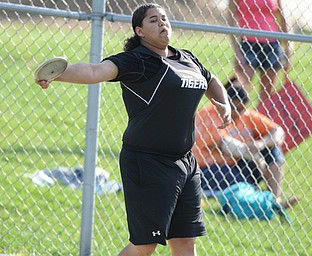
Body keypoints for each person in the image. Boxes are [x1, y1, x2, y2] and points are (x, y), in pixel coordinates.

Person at [36, 3, 232, 256]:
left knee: (185, 242)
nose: (162, 23)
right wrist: (56, 75)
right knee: (144, 245)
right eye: (153, 20)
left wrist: (223, 102)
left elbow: (210, 79)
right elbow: (96, 71)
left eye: (164, 18)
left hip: (185, 162)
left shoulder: (186, 57)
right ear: (139, 31)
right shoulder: (138, 60)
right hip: (148, 162)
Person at [192, 78, 299, 209]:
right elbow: (225, 145)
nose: (238, 113)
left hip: (240, 164)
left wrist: (260, 144)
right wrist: (253, 155)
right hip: (210, 168)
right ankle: (265, 203)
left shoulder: (246, 115)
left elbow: (278, 131)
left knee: (273, 150)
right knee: (237, 183)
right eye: (234, 108)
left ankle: (275, 198)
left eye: (242, 109)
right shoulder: (208, 114)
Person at [227, 0, 291, 103]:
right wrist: (237, 51)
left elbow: (283, 17)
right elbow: (231, 19)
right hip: (248, 43)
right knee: (240, 92)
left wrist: (287, 48)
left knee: (266, 96)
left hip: (272, 44)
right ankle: (240, 118)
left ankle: (261, 117)